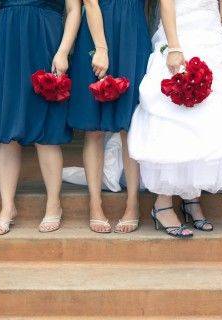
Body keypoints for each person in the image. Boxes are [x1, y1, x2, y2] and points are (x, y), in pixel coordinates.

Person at [128, 0, 222, 238]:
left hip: (212, 39)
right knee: (174, 116)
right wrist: (174, 47)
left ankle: (191, 199)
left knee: (210, 119)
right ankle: (162, 205)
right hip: (179, 38)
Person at [0, 0, 81, 235]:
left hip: (46, 44)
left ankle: (54, 204)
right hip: (7, 50)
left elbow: (74, 9)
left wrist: (63, 51)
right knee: (8, 131)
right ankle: (6, 207)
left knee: (47, 131)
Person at [68, 0, 151, 233]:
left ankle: (133, 203)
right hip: (97, 32)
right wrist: (102, 49)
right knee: (93, 128)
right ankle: (95, 204)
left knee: (131, 125)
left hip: (133, 33)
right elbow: (91, 4)